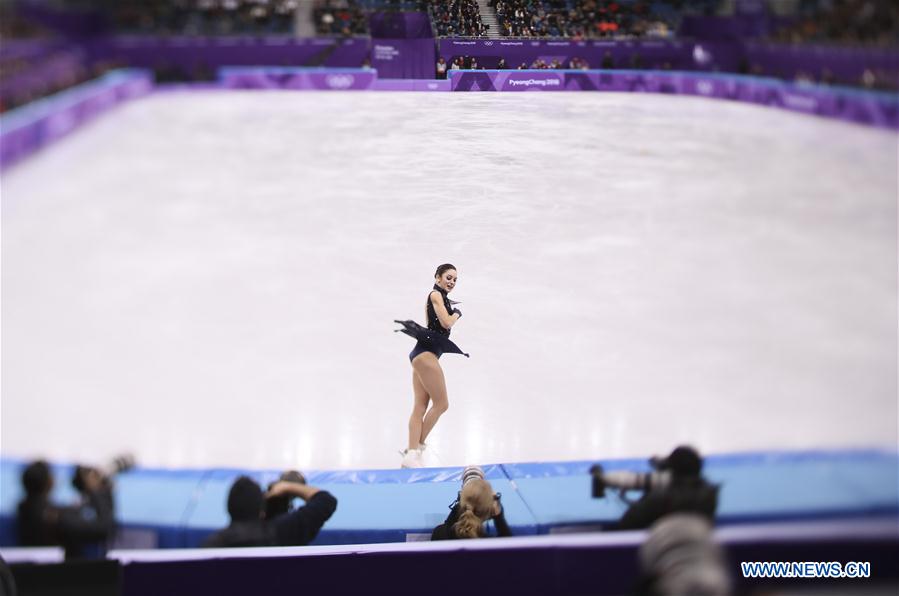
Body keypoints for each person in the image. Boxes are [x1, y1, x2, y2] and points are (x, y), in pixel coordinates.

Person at [398, 264, 465, 468]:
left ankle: (411, 455)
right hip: (426, 355)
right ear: (437, 278)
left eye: (455, 279)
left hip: (421, 354)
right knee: (442, 404)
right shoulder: (435, 295)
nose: (452, 282)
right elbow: (446, 323)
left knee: (420, 406)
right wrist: (457, 315)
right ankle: (416, 448)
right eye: (448, 277)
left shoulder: (441, 298)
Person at [17, 460, 117, 559]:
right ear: (48, 482)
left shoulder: (25, 509)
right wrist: (96, 490)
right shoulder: (53, 515)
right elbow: (102, 529)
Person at [203, 475, 337, 548]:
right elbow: (326, 501)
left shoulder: (213, 544)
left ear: (229, 508)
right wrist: (288, 487)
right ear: (261, 510)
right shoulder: (282, 532)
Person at [618, 446, 719, 531]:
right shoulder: (708, 496)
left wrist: (649, 493)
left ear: (672, 474)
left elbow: (625, 525)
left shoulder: (659, 498)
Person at [431, 477, 511, 540]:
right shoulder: (488, 546)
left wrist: (459, 507)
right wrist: (499, 518)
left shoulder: (438, 533)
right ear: (489, 510)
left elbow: (448, 525)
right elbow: (510, 551)